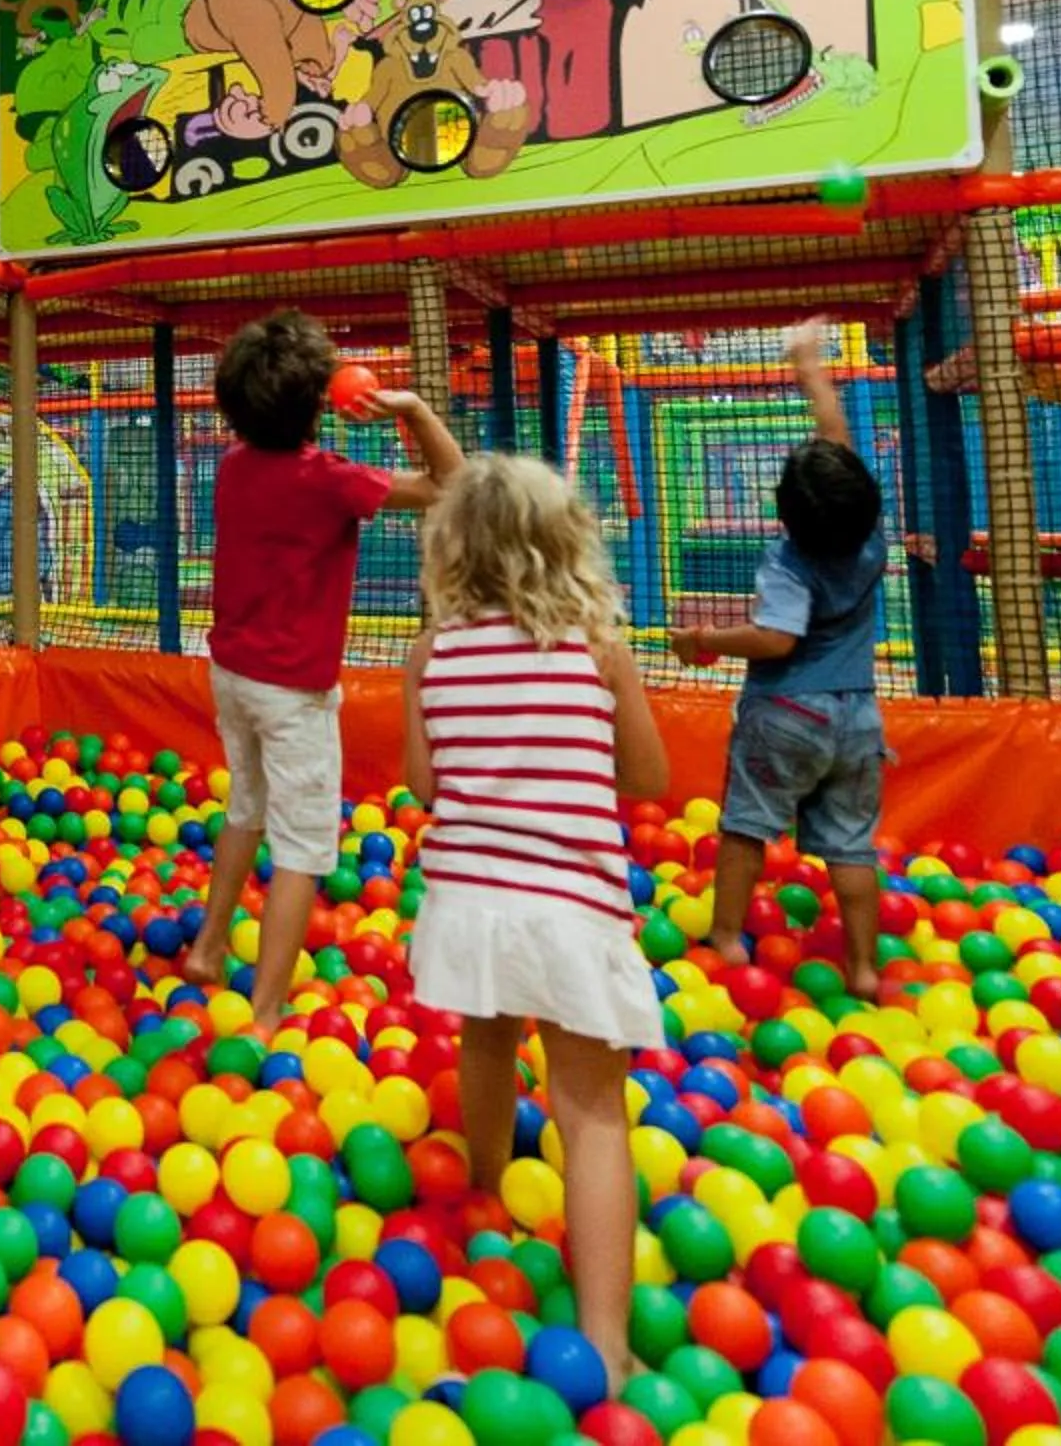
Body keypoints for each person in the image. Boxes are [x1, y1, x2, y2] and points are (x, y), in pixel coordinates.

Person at [401, 453, 669, 1390]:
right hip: (571, 909)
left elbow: (425, 786)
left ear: (451, 555)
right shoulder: (596, 645)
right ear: (565, 545)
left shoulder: (431, 654)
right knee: (592, 1112)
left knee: (488, 1036)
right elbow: (649, 776)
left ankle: (483, 1194)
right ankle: (606, 1343)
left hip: (472, 905)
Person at [184, 310, 462, 1034]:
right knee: (304, 846)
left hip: (233, 676)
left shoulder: (233, 467)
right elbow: (454, 485)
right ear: (317, 403)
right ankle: (267, 1010)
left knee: (247, 806)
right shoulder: (331, 480)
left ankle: (209, 949)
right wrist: (414, 410)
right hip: (292, 695)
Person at [667, 318, 890, 999]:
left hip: (787, 713)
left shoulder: (789, 561)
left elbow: (777, 640)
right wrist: (809, 364)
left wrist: (703, 639)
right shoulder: (869, 534)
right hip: (857, 716)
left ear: (786, 515)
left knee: (746, 825)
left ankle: (728, 938)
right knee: (851, 846)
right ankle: (863, 967)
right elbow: (837, 439)